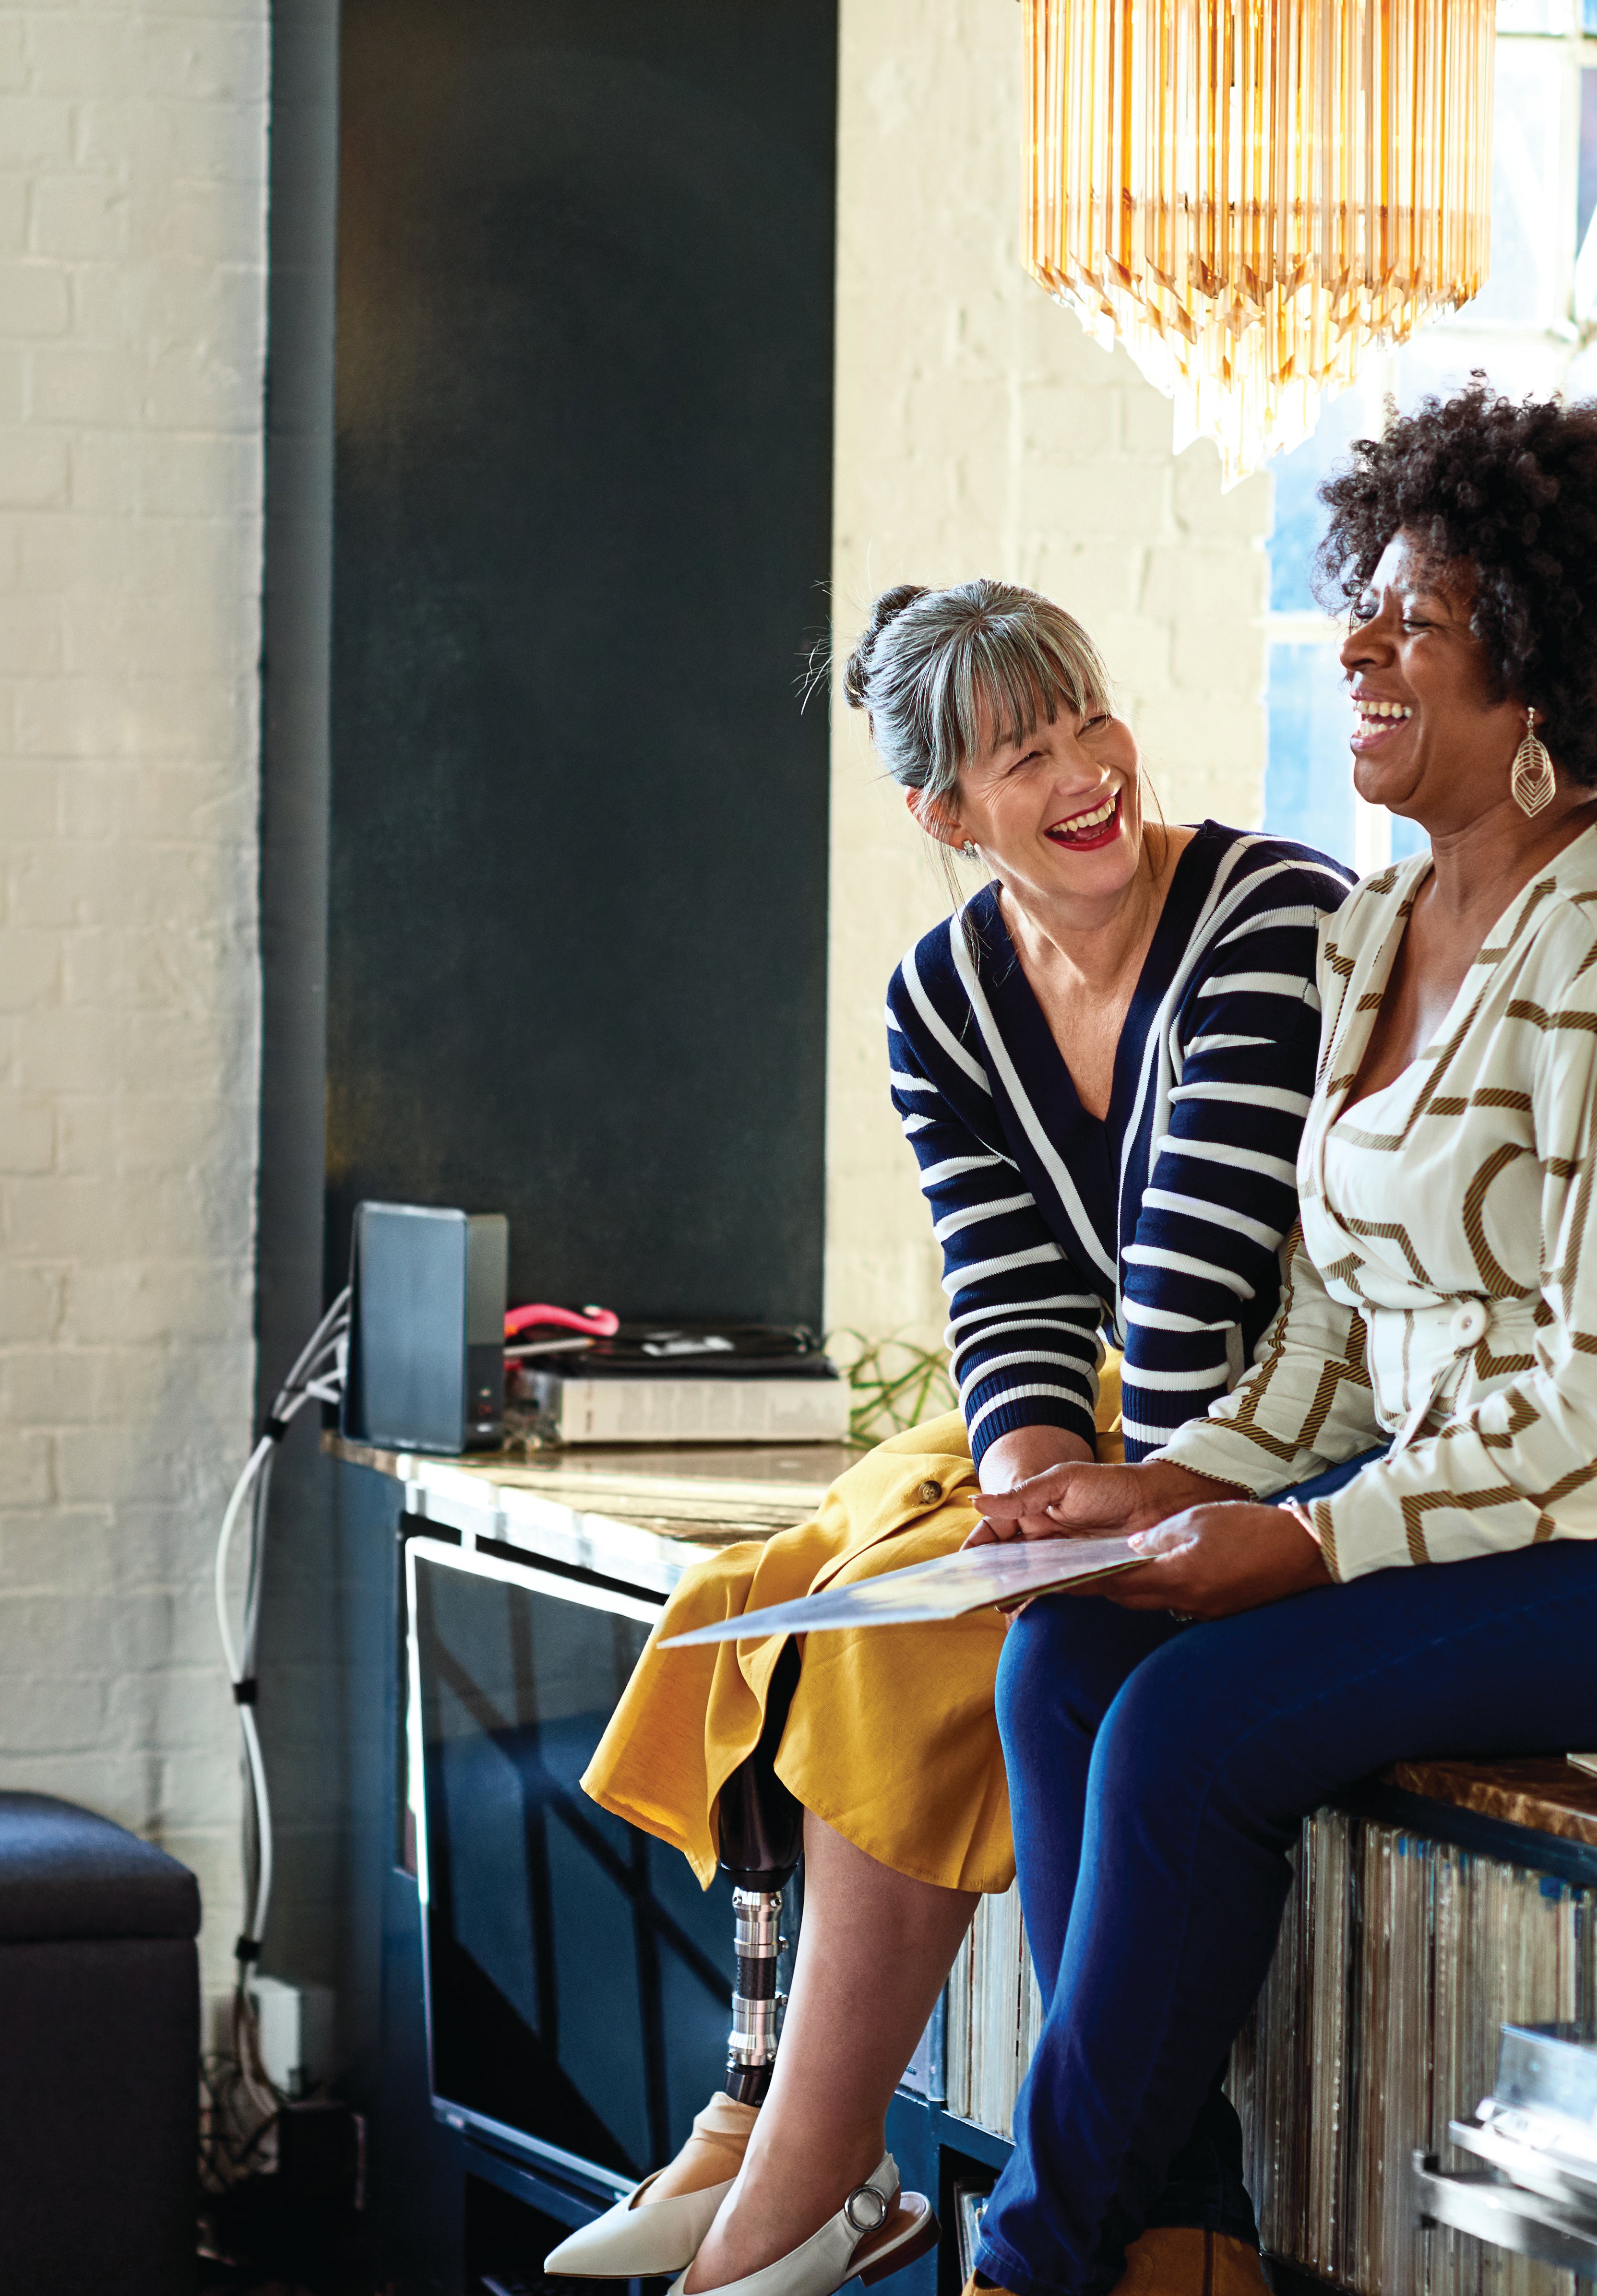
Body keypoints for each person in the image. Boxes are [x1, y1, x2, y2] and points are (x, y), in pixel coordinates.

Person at [959, 385, 1597, 2296]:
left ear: (1534, 680)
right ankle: (1179, 2244)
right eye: (1361, 602)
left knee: (1193, 1728)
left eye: (1408, 620)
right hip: (1590, 1492)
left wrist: (1310, 1540)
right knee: (1069, 1652)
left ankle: (1035, 2266)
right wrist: (1171, 1483)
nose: (1351, 640)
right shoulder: (1379, 928)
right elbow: (1340, 1326)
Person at [559, 580, 1351, 2296]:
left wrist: (1056, 1509)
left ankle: (802, 2151)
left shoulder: (1270, 913)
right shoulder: (943, 997)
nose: (1085, 776)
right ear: (943, 812)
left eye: (1089, 724)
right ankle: (777, 2119)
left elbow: (1199, 1289)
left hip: (1287, 1439)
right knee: (794, 1585)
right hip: (1113, 1443)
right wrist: (1021, 1488)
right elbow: (1003, 1303)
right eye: (1021, 755)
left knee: (906, 1628)